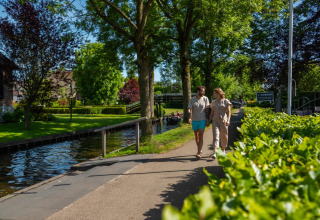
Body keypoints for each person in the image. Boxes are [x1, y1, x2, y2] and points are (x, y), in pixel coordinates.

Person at [207, 88, 232, 160]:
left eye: (214, 93)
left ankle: (223, 150)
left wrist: (228, 120)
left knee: (224, 136)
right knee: (216, 135)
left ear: (219, 93)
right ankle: (215, 152)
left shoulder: (226, 101)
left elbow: (229, 112)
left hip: (224, 120)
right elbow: (212, 113)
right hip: (215, 120)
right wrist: (209, 120)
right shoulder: (213, 102)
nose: (213, 94)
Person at [188, 86, 210, 159]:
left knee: (201, 135)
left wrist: (207, 119)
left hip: (202, 120)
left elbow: (207, 109)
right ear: (198, 91)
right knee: (196, 135)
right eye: (202, 91)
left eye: (203, 91)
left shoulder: (205, 99)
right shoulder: (192, 99)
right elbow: (189, 109)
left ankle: (199, 152)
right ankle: (199, 149)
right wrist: (189, 117)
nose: (203, 93)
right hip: (194, 120)